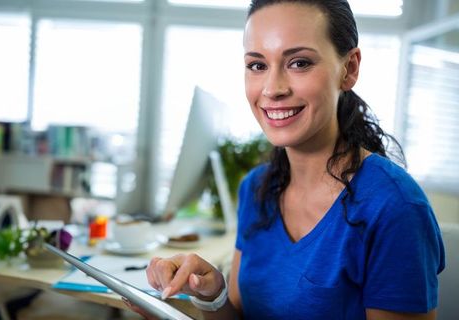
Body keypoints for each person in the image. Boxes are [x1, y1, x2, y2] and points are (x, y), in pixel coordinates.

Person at [124, 0, 445, 319]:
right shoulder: (256, 188)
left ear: (350, 68)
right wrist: (212, 294)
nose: (272, 89)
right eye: (257, 65)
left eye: (300, 62)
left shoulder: (395, 208)